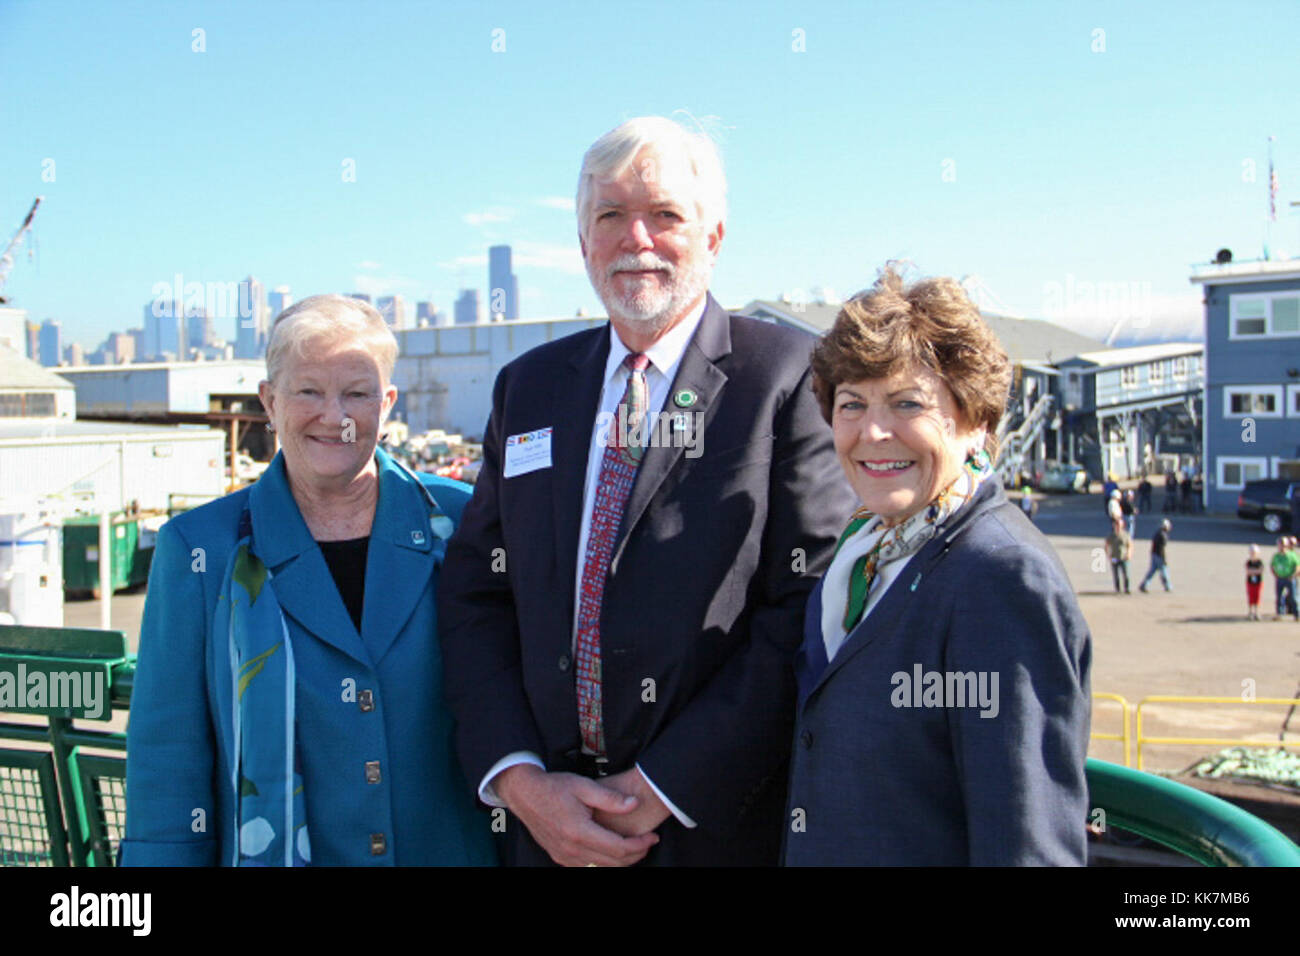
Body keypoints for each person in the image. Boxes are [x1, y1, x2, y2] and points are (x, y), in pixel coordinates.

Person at [437, 116, 855, 867]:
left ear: (714, 237)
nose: (636, 239)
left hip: (712, 830)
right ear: (582, 243)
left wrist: (664, 786)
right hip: (543, 835)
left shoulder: (786, 378)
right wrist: (522, 782)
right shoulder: (528, 389)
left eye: (664, 215)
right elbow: (476, 595)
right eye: (610, 216)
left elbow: (808, 602)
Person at [122, 295, 497, 866]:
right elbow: (166, 760)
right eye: (307, 391)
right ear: (268, 402)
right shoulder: (199, 551)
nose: (333, 414)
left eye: (356, 393)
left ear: (387, 404)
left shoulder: (465, 523)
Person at [783, 264, 1091, 865]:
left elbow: (1027, 844)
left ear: (975, 421)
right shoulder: (864, 554)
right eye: (852, 404)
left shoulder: (1001, 579)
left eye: (907, 403)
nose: (873, 432)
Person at [1138, 518, 1173, 593]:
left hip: (1154, 554)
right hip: (1159, 555)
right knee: (1164, 572)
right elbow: (1162, 548)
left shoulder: (1157, 533)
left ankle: (1144, 585)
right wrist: (1164, 559)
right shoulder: (1163, 535)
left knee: (1152, 571)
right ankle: (1168, 586)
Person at [1271, 536, 1299, 621]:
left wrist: (1293, 576)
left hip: (1290, 579)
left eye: (1283, 545)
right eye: (1280, 545)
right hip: (1280, 579)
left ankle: (1296, 615)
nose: (1282, 547)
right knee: (1279, 597)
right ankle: (1279, 614)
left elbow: (1297, 567)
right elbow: (1272, 566)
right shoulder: (1276, 556)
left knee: (1293, 597)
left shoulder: (1292, 555)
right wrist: (1275, 575)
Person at [1106, 518, 1132, 594]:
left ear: (1122, 525)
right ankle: (1117, 589)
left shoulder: (1126, 535)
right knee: (1115, 574)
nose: (1117, 526)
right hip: (1114, 557)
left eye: (1119, 525)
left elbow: (1130, 545)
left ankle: (1127, 588)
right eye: (1116, 525)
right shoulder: (1111, 535)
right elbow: (1106, 545)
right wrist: (1108, 555)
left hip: (1124, 557)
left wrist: (1129, 554)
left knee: (1126, 574)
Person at [1245, 544, 1264, 620]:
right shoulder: (1248, 562)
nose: (1253, 553)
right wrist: (1255, 571)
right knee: (1250, 597)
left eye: (1254, 552)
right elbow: (1247, 571)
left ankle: (1257, 612)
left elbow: (1261, 570)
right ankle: (1250, 612)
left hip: (1258, 582)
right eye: (1252, 552)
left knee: (1257, 597)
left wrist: (1253, 571)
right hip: (1250, 582)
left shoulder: (1259, 562)